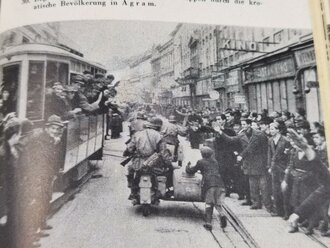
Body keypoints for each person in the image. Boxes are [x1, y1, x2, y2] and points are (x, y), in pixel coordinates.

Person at [214, 118, 272, 211]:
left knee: (263, 186)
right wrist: (220, 132)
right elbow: (231, 140)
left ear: (249, 125)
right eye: (242, 124)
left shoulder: (259, 134)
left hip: (260, 162)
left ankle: (268, 205)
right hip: (249, 163)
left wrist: (241, 155)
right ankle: (255, 203)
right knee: (252, 185)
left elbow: (251, 147)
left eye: (245, 124)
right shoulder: (242, 134)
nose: (243, 126)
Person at [124, 117, 170, 204]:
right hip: (154, 162)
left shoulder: (137, 134)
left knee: (131, 171)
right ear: (158, 127)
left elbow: (130, 148)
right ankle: (157, 193)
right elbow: (163, 152)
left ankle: (133, 193)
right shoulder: (159, 136)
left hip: (139, 162)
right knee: (162, 174)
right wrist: (168, 162)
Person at [186, 147, 227, 231]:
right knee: (218, 203)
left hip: (209, 184)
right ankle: (222, 214)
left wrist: (188, 166)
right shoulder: (215, 162)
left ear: (202, 154)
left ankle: (208, 223)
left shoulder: (201, 162)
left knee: (209, 203)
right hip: (220, 183)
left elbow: (191, 171)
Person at [267, 121, 291, 218]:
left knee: (284, 191)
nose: (271, 131)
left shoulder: (285, 140)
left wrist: (287, 168)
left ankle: (287, 212)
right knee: (275, 189)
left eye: (272, 129)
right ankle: (278, 210)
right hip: (274, 168)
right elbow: (269, 154)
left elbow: (289, 156)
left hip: (283, 167)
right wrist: (269, 166)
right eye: (270, 129)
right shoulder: (270, 140)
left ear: (278, 130)